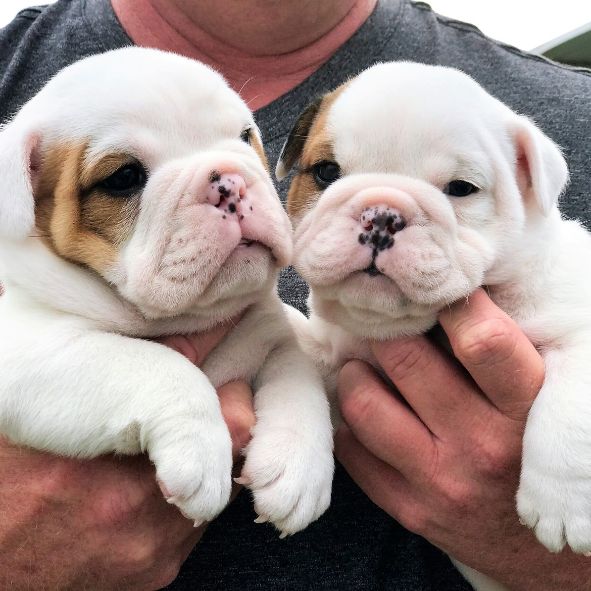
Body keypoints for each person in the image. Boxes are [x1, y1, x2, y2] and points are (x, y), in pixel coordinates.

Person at [0, 0, 590, 589]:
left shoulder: (567, 124)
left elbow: (285, 354)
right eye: (328, 173)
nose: (228, 190)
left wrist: (557, 553)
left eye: (240, 141)